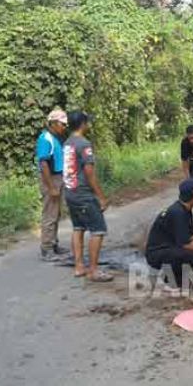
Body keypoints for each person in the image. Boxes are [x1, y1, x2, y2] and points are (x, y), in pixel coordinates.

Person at [63, 111, 113, 282]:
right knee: (98, 230)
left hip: (70, 192)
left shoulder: (67, 143)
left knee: (78, 228)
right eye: (87, 122)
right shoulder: (84, 144)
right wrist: (101, 196)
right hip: (83, 194)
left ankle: (79, 266)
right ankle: (93, 270)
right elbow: (89, 172)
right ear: (83, 124)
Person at [35, 109, 70, 261]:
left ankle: (54, 244)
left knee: (56, 213)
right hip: (50, 179)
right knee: (49, 214)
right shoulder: (46, 138)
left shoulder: (56, 138)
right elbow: (43, 164)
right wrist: (51, 187)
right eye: (62, 124)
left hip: (58, 177)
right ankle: (47, 248)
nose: (64, 127)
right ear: (54, 123)